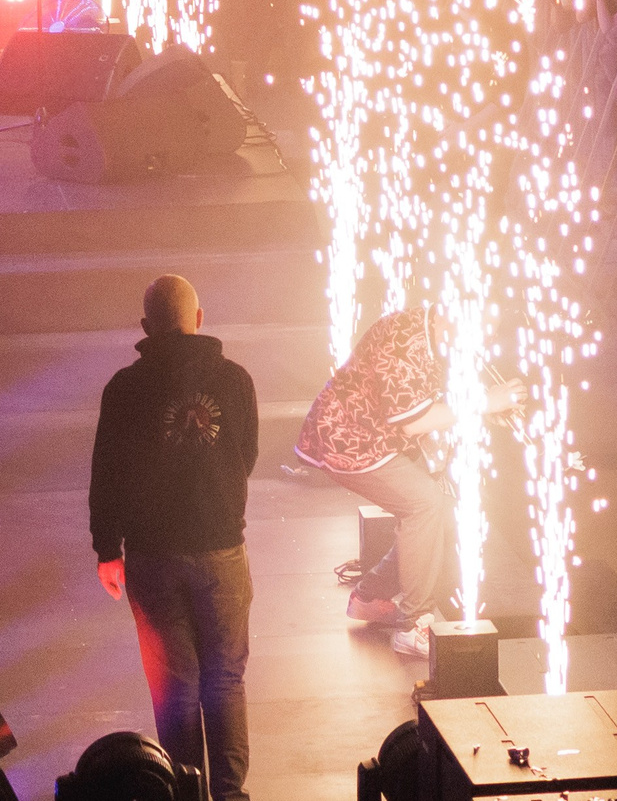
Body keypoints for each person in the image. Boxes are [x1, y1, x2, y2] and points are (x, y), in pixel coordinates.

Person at [89, 276, 260, 801]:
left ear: (145, 328)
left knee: (176, 687)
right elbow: (246, 458)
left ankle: (184, 793)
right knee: (224, 681)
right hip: (221, 549)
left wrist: (106, 551)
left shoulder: (124, 387)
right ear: (200, 318)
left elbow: (107, 475)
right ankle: (231, 796)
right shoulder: (235, 381)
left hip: (151, 555)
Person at [294, 303, 525, 659]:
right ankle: (414, 626)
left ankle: (370, 597)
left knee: (437, 511)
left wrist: (489, 409)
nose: (482, 340)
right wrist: (484, 403)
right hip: (347, 441)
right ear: (449, 312)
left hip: (375, 439)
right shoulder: (403, 341)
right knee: (425, 505)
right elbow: (414, 422)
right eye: (479, 328)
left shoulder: (436, 334)